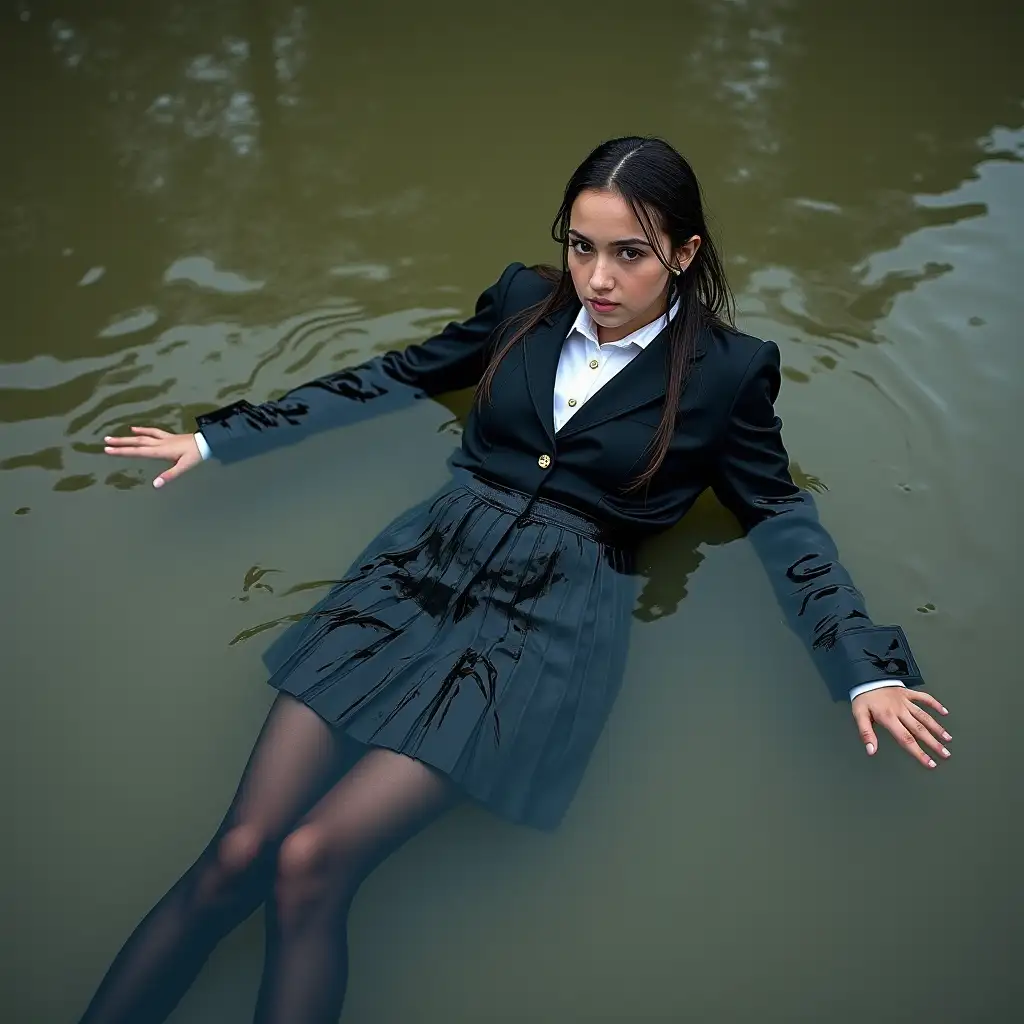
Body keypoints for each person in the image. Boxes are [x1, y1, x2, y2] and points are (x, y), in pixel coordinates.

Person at [82, 136, 950, 1023]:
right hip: (414, 572)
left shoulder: (727, 373)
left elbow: (780, 518)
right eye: (581, 246)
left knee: (309, 864)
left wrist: (864, 665)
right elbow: (395, 375)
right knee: (239, 853)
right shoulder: (523, 304)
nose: (598, 278)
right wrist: (220, 437)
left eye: (629, 253)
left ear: (685, 254)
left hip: (545, 630)